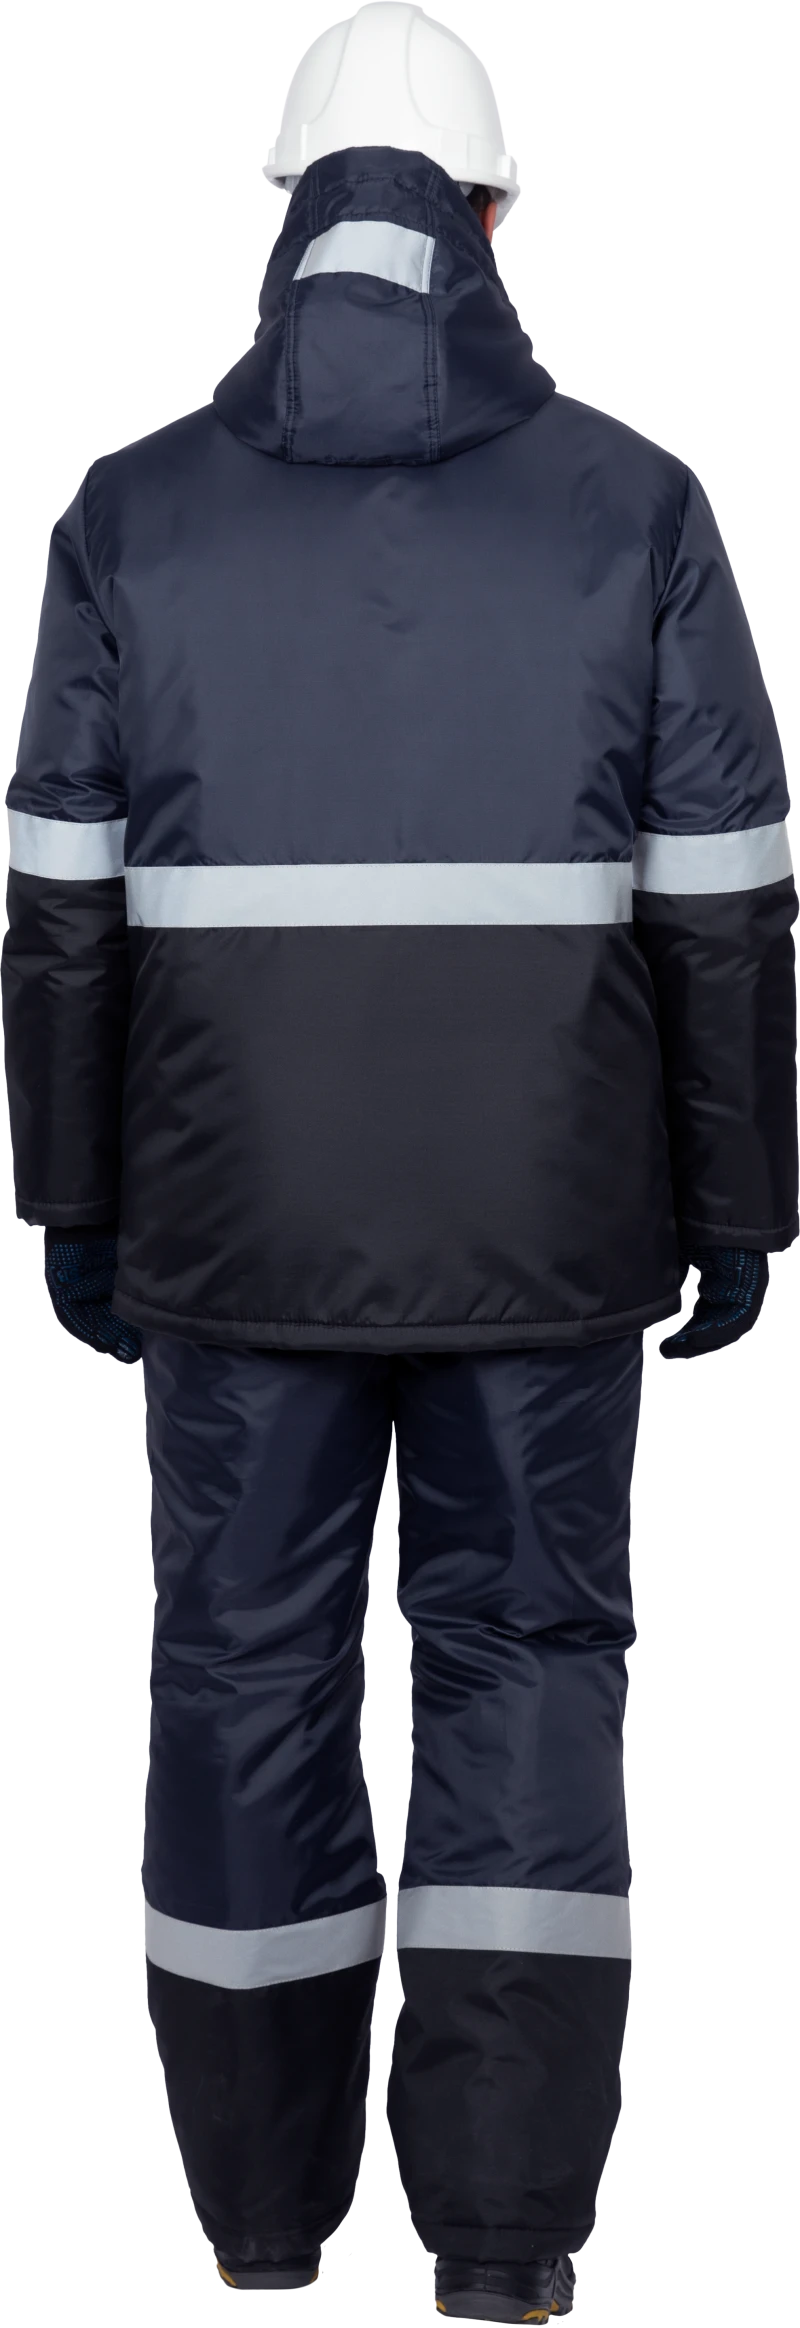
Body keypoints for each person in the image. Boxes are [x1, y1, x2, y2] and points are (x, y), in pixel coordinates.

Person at [2, 3, 797, 2317]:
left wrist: (72, 1200)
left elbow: (54, 917)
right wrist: (735, 1210)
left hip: (231, 1220)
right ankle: (507, 2252)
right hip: (550, 1229)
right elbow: (728, 908)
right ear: (492, 218)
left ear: (282, 214)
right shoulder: (637, 508)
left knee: (236, 1678)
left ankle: (261, 2231)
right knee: (528, 1674)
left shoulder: (128, 512)